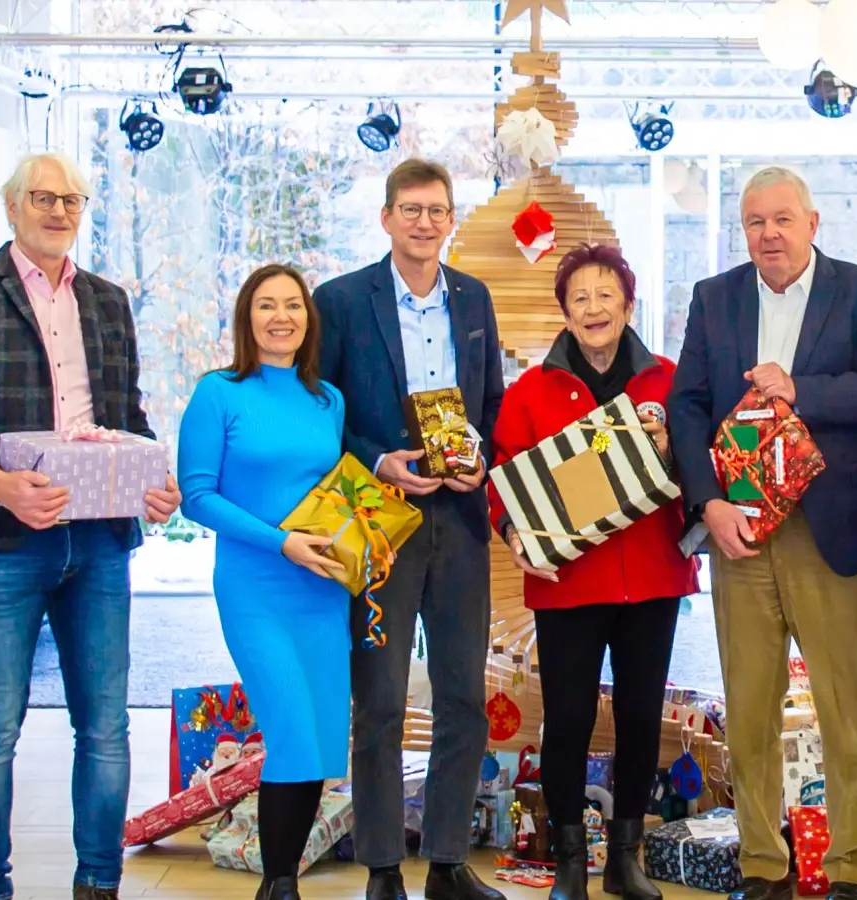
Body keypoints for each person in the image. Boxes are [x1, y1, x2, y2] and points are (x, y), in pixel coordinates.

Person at [0, 152, 181, 900]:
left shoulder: (108, 300)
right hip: (1, 542)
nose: (59, 210)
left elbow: (124, 416)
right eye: (43, 197)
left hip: (99, 541)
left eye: (71, 199)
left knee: (105, 727)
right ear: (12, 207)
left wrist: (151, 479)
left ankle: (99, 882)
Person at [667, 166, 857, 900]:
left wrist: (802, 390)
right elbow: (686, 406)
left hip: (828, 528)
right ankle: (762, 863)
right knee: (747, 707)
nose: (768, 234)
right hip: (740, 528)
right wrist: (708, 504)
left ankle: (852, 867)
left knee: (845, 706)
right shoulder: (714, 298)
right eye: (755, 222)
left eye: (782, 219)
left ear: (812, 223)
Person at [314, 158, 507, 900]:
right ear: (387, 218)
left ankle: (449, 862)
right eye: (411, 210)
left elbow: (490, 404)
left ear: (451, 219)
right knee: (382, 702)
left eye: (436, 210)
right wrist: (377, 460)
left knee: (463, 697)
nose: (424, 223)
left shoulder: (474, 297)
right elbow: (321, 412)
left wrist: (481, 459)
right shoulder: (340, 301)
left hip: (459, 520)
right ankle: (383, 867)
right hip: (378, 520)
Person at [488, 244, 697, 900]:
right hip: (568, 584)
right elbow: (503, 478)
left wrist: (676, 454)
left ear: (628, 305)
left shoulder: (669, 381)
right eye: (579, 297)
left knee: (640, 714)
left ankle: (625, 860)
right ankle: (571, 862)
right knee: (569, 718)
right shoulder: (530, 393)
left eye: (606, 295)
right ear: (565, 313)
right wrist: (512, 530)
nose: (594, 308)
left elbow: (704, 462)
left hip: (653, 577)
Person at [178, 264, 351, 900]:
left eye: (293, 305)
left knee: (323, 744)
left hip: (322, 589)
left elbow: (329, 491)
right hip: (255, 588)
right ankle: (279, 886)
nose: (282, 317)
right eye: (267, 305)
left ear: (309, 318)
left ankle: (281, 885)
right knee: (294, 736)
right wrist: (282, 542)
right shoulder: (218, 393)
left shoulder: (327, 399)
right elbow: (197, 496)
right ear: (246, 319)